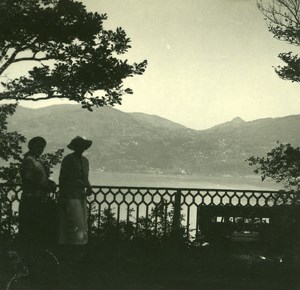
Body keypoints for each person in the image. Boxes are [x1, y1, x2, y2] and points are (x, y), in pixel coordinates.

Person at [19, 136, 56, 246]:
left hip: (39, 199)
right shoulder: (29, 160)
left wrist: (49, 182)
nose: (40, 149)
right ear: (32, 147)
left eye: (42, 147)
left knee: (37, 229)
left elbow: (39, 178)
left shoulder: (38, 161)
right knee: (30, 229)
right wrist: (44, 186)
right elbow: (27, 178)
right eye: (38, 146)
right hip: (31, 199)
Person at [58, 136, 93, 245]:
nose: (81, 148)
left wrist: (89, 186)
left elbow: (85, 177)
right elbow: (62, 178)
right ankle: (73, 245)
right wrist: (63, 194)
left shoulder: (85, 161)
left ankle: (80, 244)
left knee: (82, 221)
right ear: (75, 147)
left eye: (82, 147)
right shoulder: (68, 159)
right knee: (74, 220)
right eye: (78, 146)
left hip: (81, 195)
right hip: (71, 194)